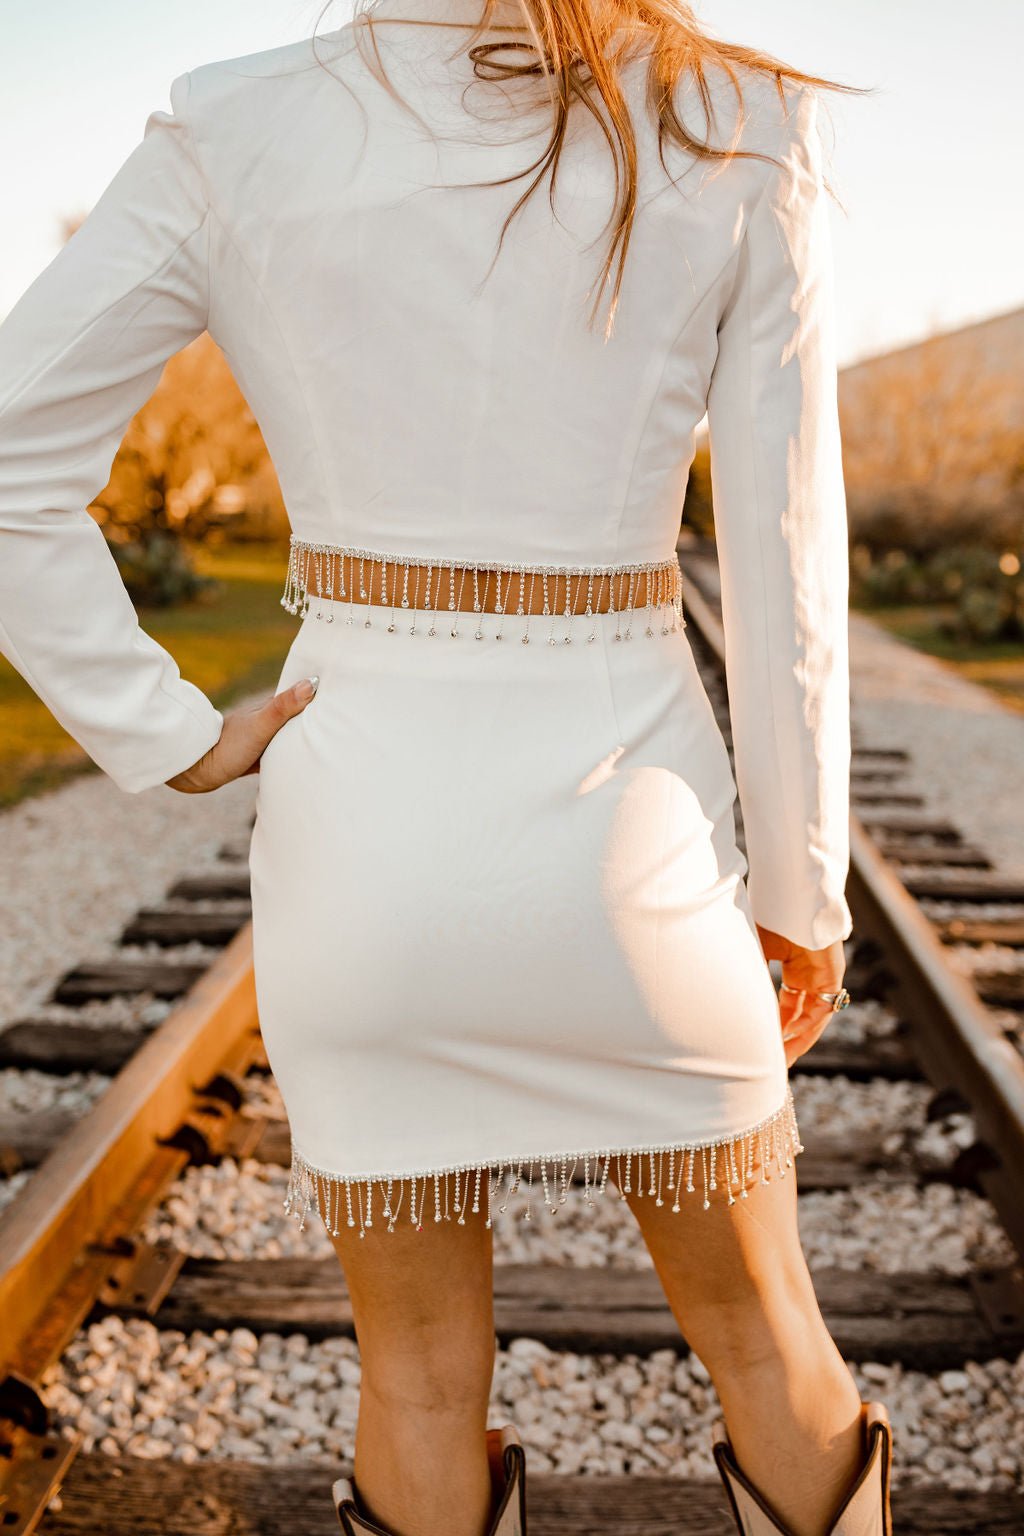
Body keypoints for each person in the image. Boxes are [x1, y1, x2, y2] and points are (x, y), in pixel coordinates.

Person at [0, 1, 893, 1532]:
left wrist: (163, 733)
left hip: (365, 849)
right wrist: (805, 893)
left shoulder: (233, 122)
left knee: (413, 1380)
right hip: (638, 862)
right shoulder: (739, 116)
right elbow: (788, 576)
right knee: (766, 1342)